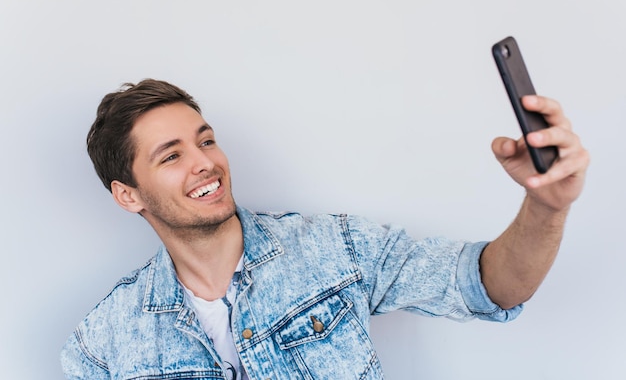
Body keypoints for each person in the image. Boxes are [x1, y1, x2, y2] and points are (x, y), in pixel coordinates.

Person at [60, 78, 589, 379]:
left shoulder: (335, 248)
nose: (204, 162)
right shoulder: (100, 345)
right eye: (171, 156)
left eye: (205, 140)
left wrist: (546, 209)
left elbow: (487, 285)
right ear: (128, 195)